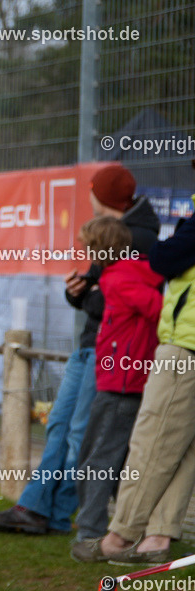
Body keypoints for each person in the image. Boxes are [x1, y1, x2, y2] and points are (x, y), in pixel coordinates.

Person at [0, 163, 159, 534]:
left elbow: (123, 300)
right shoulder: (118, 233)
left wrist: (92, 296)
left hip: (109, 352)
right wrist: (78, 293)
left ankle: (62, 513)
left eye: (92, 190)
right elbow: (101, 292)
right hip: (91, 345)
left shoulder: (136, 238)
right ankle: (39, 507)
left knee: (80, 434)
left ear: (102, 196)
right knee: (62, 424)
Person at [84, 206, 195, 564]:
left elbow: (157, 295)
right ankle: (156, 536)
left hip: (135, 372)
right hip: (135, 370)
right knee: (179, 453)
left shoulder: (118, 279)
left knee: (129, 450)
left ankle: (111, 533)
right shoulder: (129, 274)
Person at [67, 217, 162, 560]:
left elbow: (157, 311)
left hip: (120, 386)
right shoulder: (128, 274)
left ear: (99, 249)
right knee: (116, 459)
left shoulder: (121, 279)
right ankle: (127, 532)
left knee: (95, 459)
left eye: (87, 248)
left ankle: (93, 534)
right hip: (123, 381)